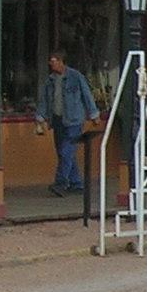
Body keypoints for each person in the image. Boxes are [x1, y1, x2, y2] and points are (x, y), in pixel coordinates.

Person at [36, 49, 99, 194]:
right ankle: (76, 183)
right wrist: (40, 117)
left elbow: (86, 94)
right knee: (64, 153)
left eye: (53, 61)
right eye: (50, 61)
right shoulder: (50, 81)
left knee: (66, 151)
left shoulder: (75, 77)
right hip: (57, 119)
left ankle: (61, 182)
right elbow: (45, 100)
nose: (51, 64)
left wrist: (93, 113)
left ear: (61, 61)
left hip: (74, 120)